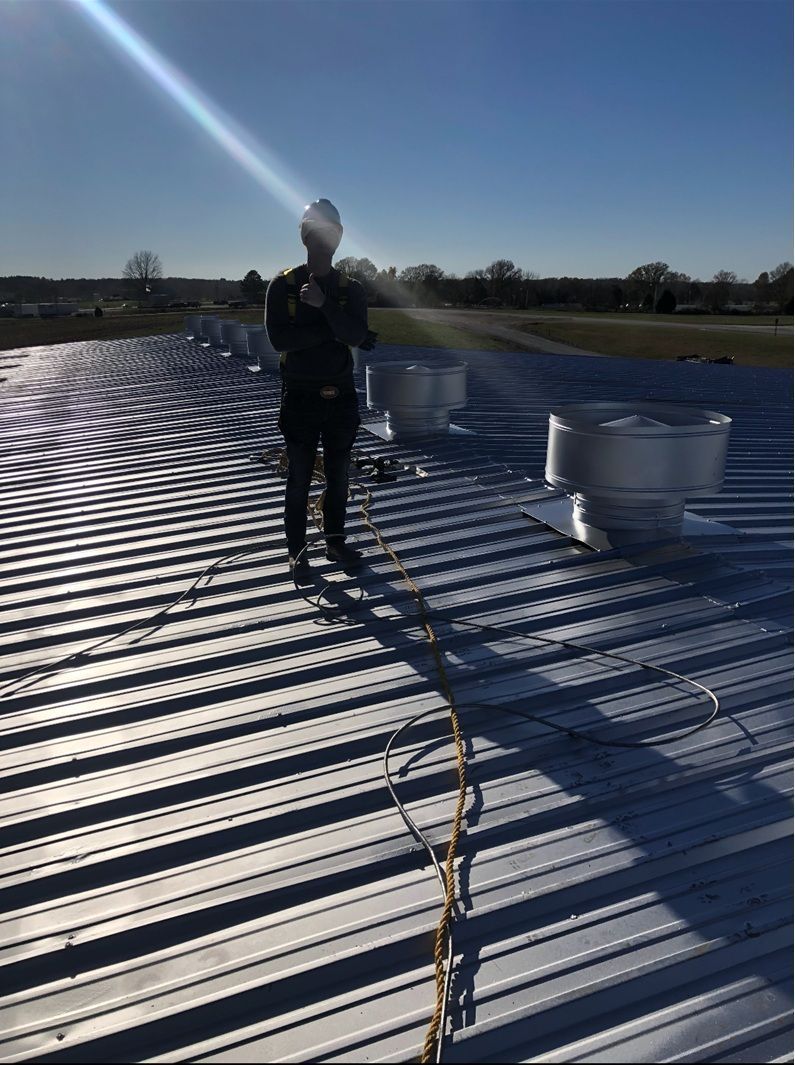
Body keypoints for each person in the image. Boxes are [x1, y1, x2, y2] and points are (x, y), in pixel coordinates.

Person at [265, 199, 369, 581]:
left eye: (329, 233)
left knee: (340, 476)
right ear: (306, 237)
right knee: (300, 477)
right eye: (317, 233)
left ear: (337, 238)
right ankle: (297, 550)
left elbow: (356, 335)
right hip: (301, 397)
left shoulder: (349, 289)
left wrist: (325, 307)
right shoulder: (283, 287)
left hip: (340, 397)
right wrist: (332, 327)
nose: (323, 240)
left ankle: (335, 541)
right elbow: (279, 341)